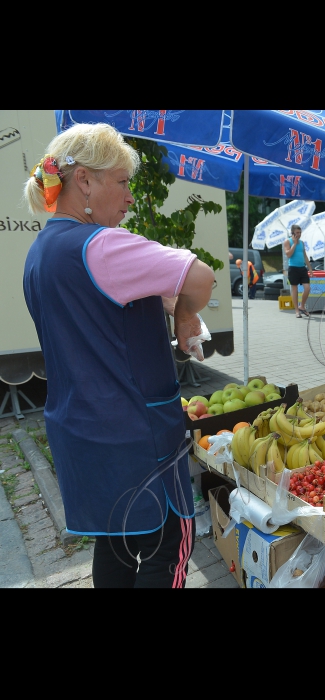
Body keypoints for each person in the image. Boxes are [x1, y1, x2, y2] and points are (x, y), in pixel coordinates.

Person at [22, 123, 215, 588]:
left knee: (115, 545)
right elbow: (202, 277)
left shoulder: (41, 252)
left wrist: (166, 305)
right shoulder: (101, 245)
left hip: (83, 436)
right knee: (167, 549)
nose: (130, 197)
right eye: (123, 182)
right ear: (85, 181)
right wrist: (186, 314)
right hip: (138, 439)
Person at [283, 224, 313, 318]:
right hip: (293, 267)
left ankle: (302, 306)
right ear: (292, 233)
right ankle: (297, 310)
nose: (299, 234)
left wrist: (310, 268)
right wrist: (294, 244)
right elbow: (288, 254)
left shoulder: (302, 242)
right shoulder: (288, 241)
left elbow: (305, 256)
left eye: (300, 232)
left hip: (302, 268)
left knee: (307, 288)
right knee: (294, 289)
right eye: (297, 233)